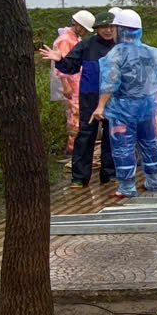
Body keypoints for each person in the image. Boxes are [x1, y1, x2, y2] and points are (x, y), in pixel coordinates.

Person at [92, 9, 157, 198]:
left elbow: (110, 82)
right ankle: (153, 180)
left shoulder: (116, 54)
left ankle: (127, 186)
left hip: (123, 108)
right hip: (146, 106)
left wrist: (101, 106)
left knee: (123, 146)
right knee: (149, 143)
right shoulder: (153, 53)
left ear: (120, 30)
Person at [42, 10, 119, 187]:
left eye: (111, 27)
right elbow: (71, 67)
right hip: (89, 97)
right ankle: (79, 177)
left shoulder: (119, 46)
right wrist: (60, 60)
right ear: (97, 29)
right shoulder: (87, 45)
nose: (108, 30)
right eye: (103, 27)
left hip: (114, 97)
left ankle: (110, 175)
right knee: (85, 135)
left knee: (111, 135)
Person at [51, 10, 94, 154]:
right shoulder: (65, 39)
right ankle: (73, 150)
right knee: (75, 116)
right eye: (85, 29)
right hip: (71, 84)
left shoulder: (73, 38)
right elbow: (61, 63)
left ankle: (78, 148)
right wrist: (66, 86)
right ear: (78, 25)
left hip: (77, 82)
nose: (86, 33)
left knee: (78, 114)